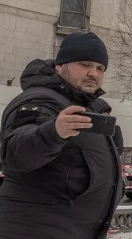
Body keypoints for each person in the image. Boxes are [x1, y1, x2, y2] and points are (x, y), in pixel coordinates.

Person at [0, 31, 123, 239]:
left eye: (100, 68)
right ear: (60, 66)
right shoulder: (40, 101)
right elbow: (15, 154)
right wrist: (53, 132)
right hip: (32, 231)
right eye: (85, 64)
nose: (93, 73)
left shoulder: (86, 106)